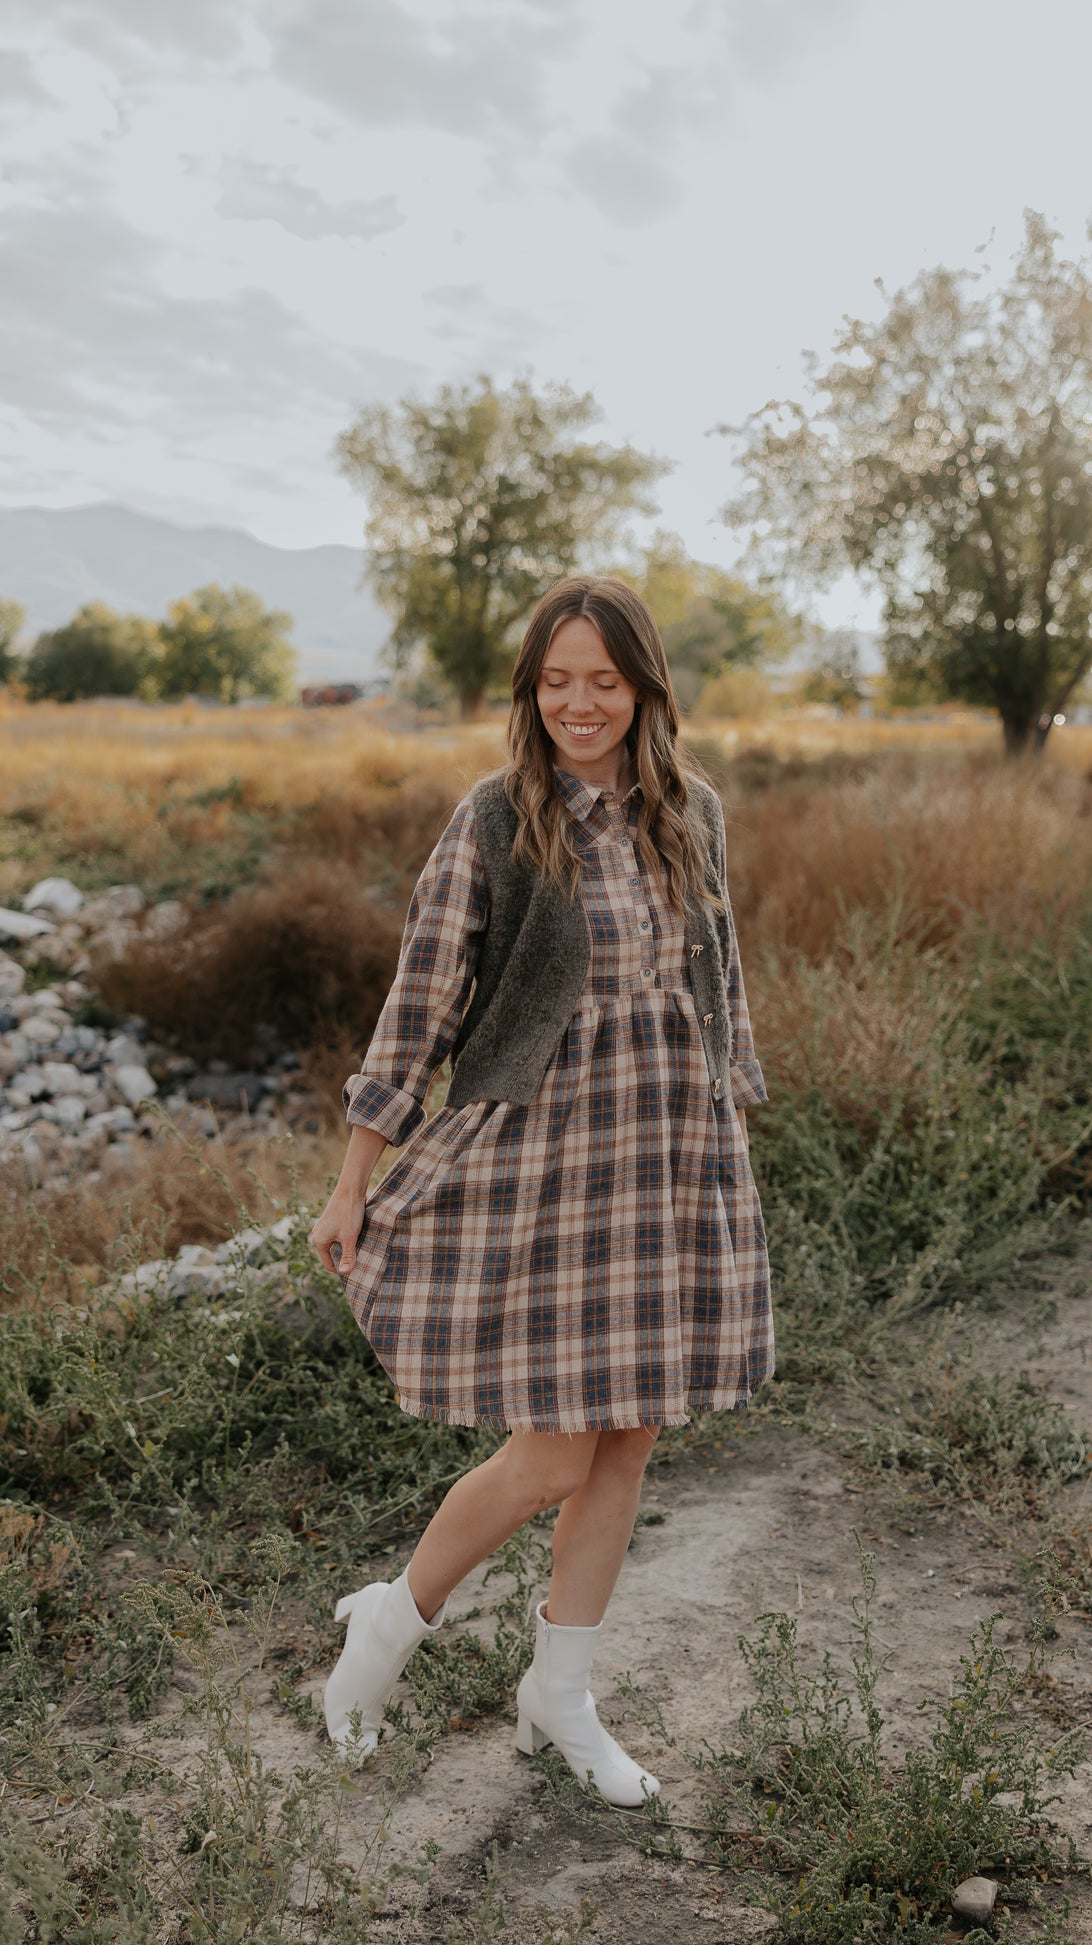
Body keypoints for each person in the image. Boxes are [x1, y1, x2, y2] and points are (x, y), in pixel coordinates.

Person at [309, 574, 773, 1806]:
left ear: (643, 689)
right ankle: (389, 1622)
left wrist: (728, 1120)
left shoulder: (693, 814)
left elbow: (717, 979)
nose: (578, 702)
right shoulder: (496, 818)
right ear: (531, 690)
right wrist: (358, 1174)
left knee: (628, 1436)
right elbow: (422, 1001)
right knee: (555, 1449)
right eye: (555, 680)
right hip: (548, 1158)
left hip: (666, 1155)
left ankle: (557, 1696)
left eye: (602, 681)